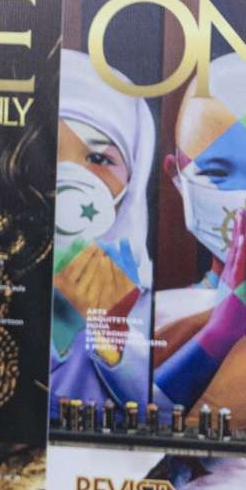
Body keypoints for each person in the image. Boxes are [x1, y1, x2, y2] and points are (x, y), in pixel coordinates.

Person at [152, 52, 246, 414]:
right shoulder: (154, 318)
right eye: (216, 173)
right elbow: (122, 415)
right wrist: (217, 337)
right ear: (177, 178)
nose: (244, 196)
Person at [50, 48, 157, 416]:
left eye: (98, 159)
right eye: (48, 150)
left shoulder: (146, 298)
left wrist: (111, 334)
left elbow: (164, 412)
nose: (70, 176)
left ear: (134, 175)